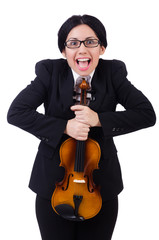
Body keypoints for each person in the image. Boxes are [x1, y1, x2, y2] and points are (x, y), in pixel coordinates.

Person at [7, 15, 156, 240]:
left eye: (91, 42)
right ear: (63, 51)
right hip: (54, 185)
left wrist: (99, 120)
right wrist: (64, 126)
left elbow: (147, 114)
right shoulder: (50, 73)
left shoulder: (113, 74)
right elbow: (16, 113)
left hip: (100, 185)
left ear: (102, 48)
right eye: (73, 43)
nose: (82, 49)